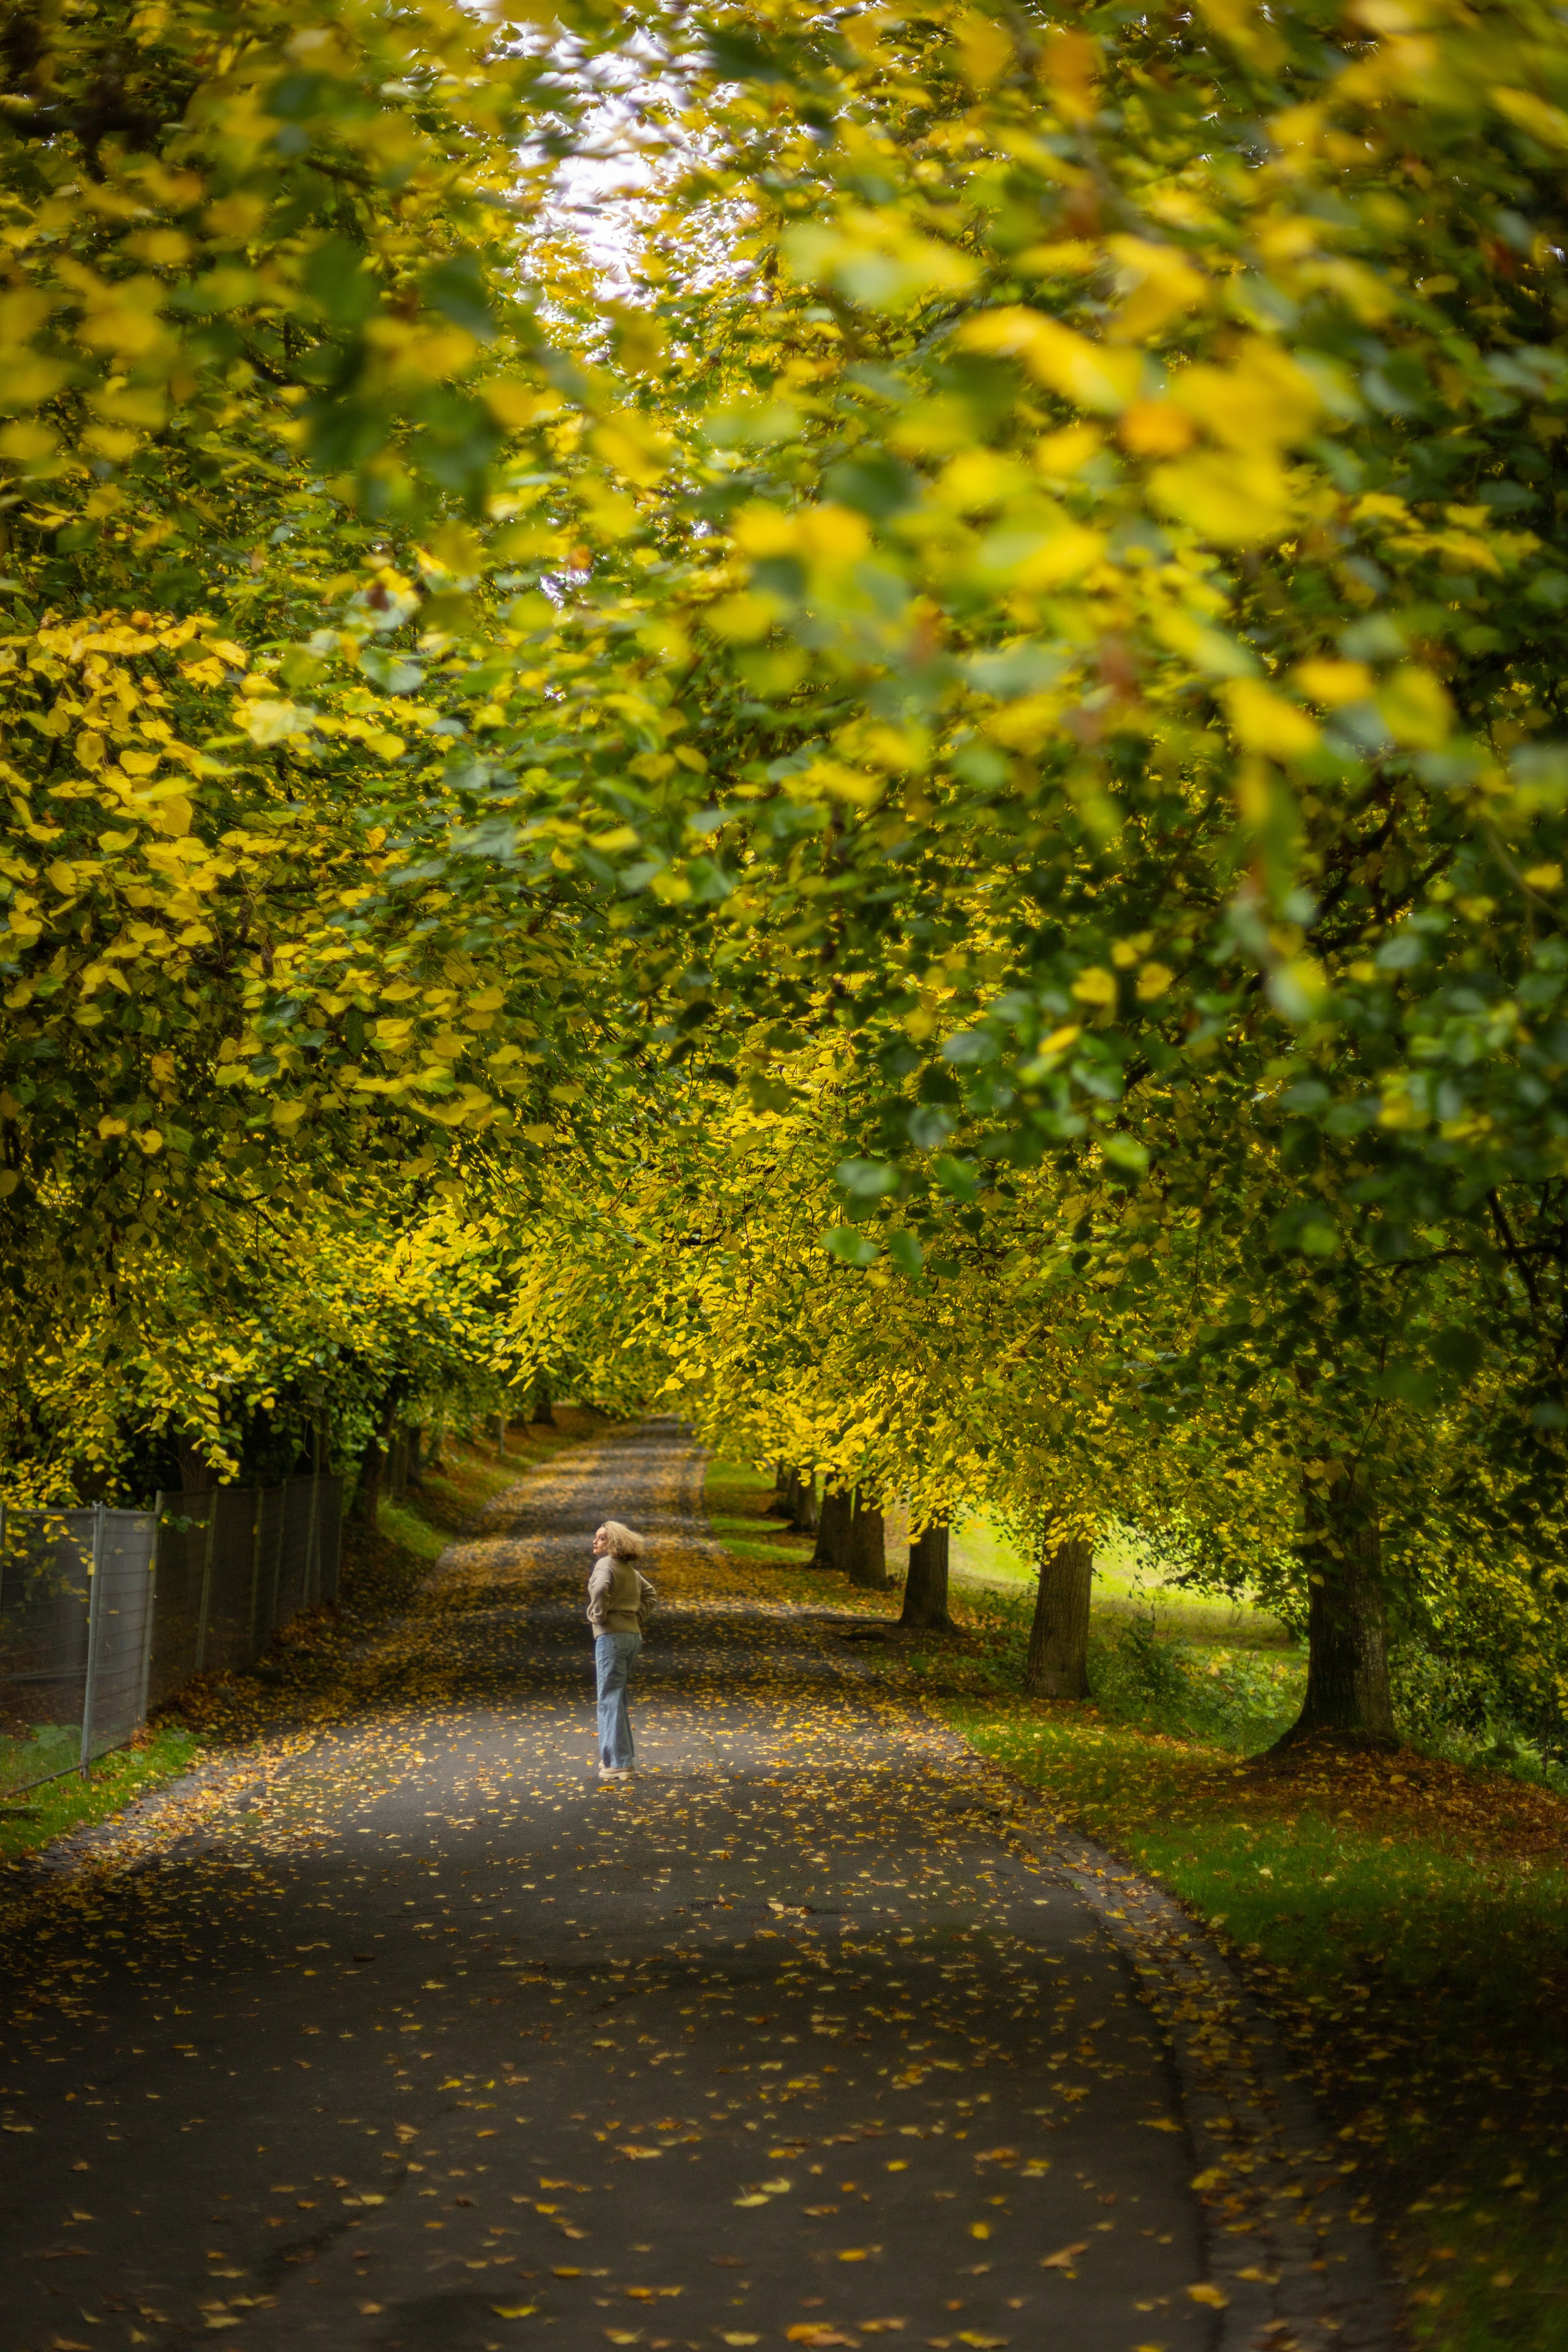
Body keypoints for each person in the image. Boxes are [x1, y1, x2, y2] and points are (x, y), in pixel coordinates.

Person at [586, 1520, 655, 1778]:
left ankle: (619, 1763)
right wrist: (635, 1617)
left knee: (609, 1698)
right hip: (631, 1636)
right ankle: (619, 1759)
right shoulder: (629, 1569)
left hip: (612, 1636)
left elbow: (602, 1587)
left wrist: (600, 1614)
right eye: (596, 1537)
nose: (595, 1541)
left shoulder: (605, 1564)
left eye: (602, 1538)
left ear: (613, 1543)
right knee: (617, 1697)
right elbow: (651, 1595)